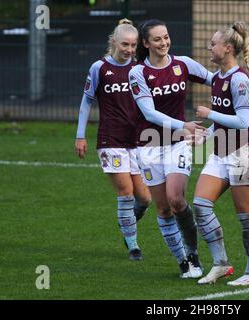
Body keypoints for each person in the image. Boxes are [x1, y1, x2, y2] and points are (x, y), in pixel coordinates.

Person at [128, 19, 213, 278]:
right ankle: (182, 261)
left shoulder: (183, 64)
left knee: (177, 200)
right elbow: (149, 113)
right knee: (163, 208)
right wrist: (185, 124)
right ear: (146, 43)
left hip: (178, 144)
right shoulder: (138, 73)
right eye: (157, 39)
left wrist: (240, 87)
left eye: (166, 37)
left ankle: (194, 255)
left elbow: (216, 81)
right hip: (150, 144)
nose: (164, 42)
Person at [193, 21, 249, 286]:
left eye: (213, 44)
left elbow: (243, 122)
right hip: (221, 150)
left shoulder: (239, 80)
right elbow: (225, 120)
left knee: (247, 217)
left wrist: (209, 114)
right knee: (200, 205)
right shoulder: (219, 77)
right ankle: (221, 264)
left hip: (244, 154)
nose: (208, 47)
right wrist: (206, 133)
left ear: (228, 48)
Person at [75, 19, 151, 261]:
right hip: (110, 139)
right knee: (126, 192)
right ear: (113, 43)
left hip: (137, 141)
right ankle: (133, 246)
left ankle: (125, 222)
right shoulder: (99, 68)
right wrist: (80, 135)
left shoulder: (139, 68)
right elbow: (87, 100)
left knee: (145, 198)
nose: (129, 49)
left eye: (133, 45)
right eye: (125, 44)